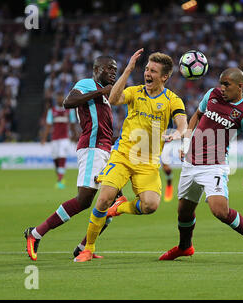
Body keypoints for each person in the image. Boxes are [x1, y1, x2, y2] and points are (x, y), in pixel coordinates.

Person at [74, 49, 188, 262]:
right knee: (104, 198)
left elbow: (182, 123)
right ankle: (87, 248)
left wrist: (178, 133)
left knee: (150, 206)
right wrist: (128, 69)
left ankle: (120, 208)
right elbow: (114, 98)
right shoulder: (135, 92)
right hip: (123, 155)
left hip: (148, 163)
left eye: (153, 71)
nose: (147, 73)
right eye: (146, 69)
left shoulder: (173, 100)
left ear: (164, 76)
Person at [159, 67, 243, 262]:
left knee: (220, 210)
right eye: (221, 84)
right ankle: (185, 247)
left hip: (214, 165)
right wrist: (185, 142)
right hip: (191, 162)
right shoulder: (212, 94)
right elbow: (196, 117)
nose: (222, 88)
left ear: (240, 86)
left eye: (227, 84)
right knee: (183, 211)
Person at [24, 56, 125, 261]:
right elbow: (68, 102)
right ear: (97, 69)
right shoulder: (88, 84)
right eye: (110, 68)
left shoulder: (107, 95)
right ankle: (35, 234)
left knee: (114, 202)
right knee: (84, 200)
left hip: (106, 150)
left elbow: (103, 127)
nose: (114, 72)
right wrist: (99, 92)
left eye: (116, 69)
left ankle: (84, 247)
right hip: (92, 148)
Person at [41, 91, 79, 189]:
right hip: (54, 139)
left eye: (61, 97)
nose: (60, 99)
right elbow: (48, 125)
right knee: (55, 158)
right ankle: (60, 175)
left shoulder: (69, 111)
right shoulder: (52, 111)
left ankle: (60, 180)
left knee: (62, 157)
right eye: (58, 97)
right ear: (56, 99)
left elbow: (72, 125)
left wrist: (75, 136)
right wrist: (44, 138)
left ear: (64, 98)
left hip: (64, 139)